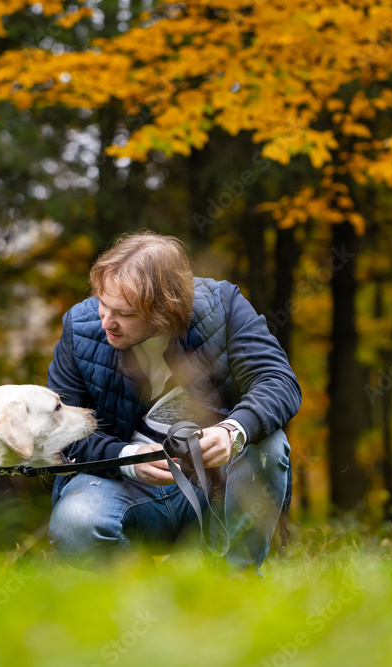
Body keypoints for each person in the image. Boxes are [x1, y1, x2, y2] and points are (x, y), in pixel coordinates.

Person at [46, 231, 301, 571]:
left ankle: (234, 588)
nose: (106, 321)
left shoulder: (224, 307)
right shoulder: (80, 327)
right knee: (77, 522)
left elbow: (278, 381)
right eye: (102, 303)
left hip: (214, 488)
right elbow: (62, 430)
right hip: (117, 486)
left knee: (268, 445)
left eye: (125, 313)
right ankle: (142, 603)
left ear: (164, 310)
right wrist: (127, 458)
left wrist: (232, 431)